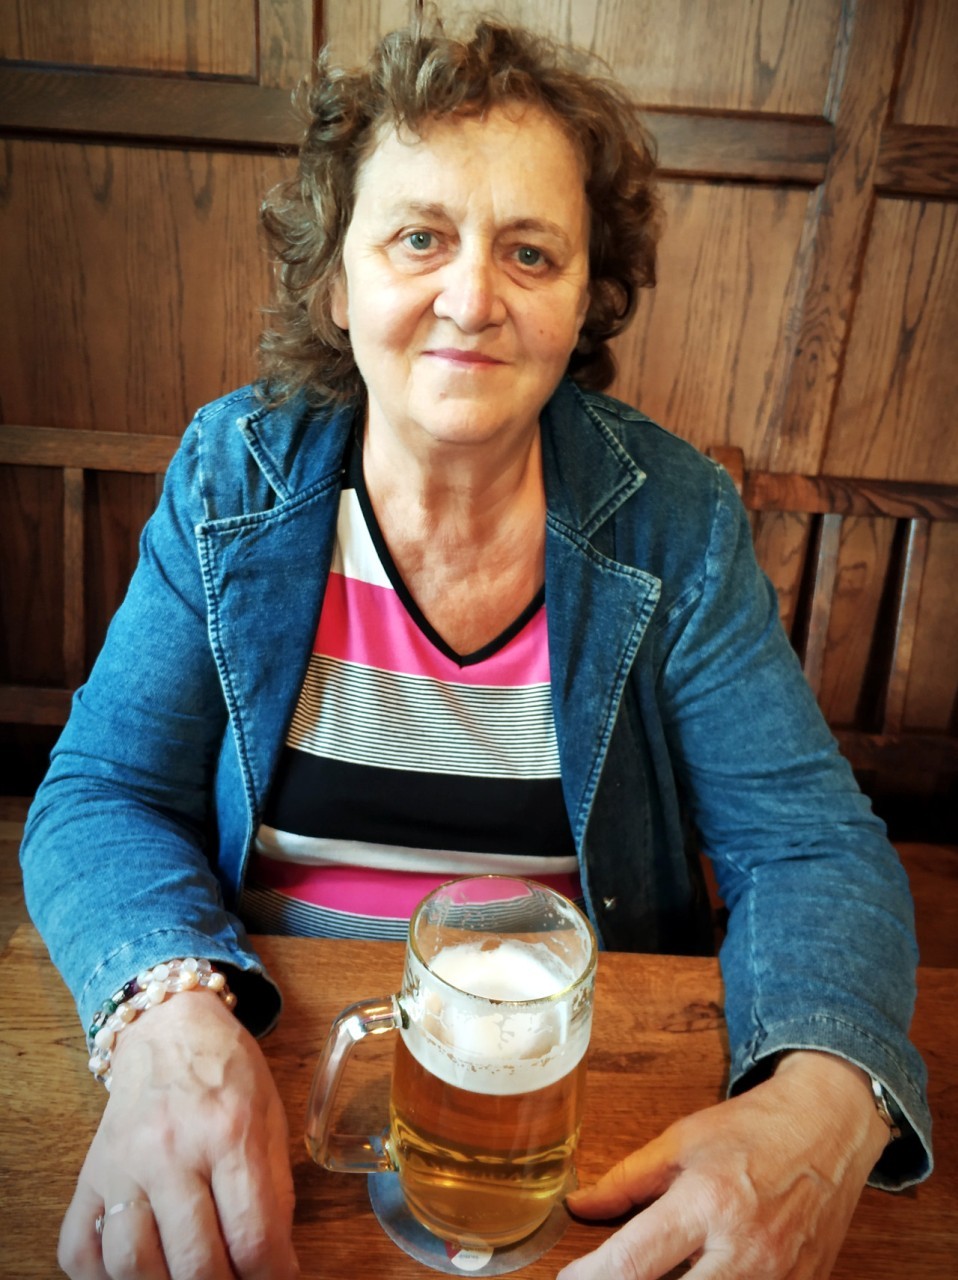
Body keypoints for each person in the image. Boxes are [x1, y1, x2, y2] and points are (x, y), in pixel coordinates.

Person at [21, 15, 931, 1280]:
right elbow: (101, 791)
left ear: (584, 298)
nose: (471, 298)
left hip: (581, 1125)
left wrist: (823, 1097)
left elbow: (809, 845)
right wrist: (167, 1007)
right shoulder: (234, 474)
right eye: (418, 238)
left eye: (529, 251)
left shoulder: (672, 519)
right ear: (336, 283)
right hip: (259, 1070)